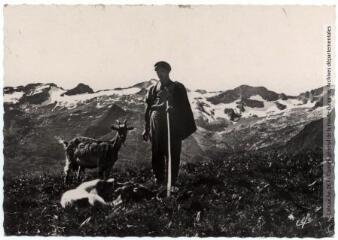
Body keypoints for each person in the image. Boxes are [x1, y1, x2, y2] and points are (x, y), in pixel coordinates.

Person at [142, 61, 196, 188]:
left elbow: (184, 107)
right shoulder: (152, 89)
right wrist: (146, 128)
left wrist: (173, 109)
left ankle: (172, 182)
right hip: (156, 125)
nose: (159, 74)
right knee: (156, 153)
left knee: (172, 153)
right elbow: (148, 109)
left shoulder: (177, 87)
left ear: (168, 71)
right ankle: (159, 180)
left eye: (161, 71)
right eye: (157, 72)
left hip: (172, 125)